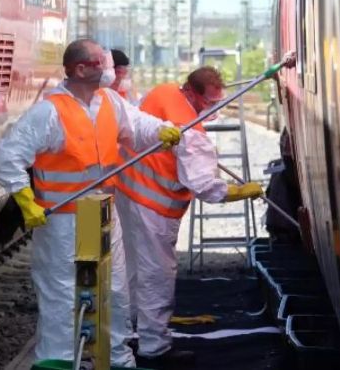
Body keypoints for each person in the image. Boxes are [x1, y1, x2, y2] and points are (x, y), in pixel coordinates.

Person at [0, 38, 183, 367]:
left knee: (115, 290)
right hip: (63, 222)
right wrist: (26, 201)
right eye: (101, 63)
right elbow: (10, 156)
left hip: (103, 215)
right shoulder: (50, 111)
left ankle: (117, 359)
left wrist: (163, 130)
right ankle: (59, 362)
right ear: (80, 69)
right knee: (63, 294)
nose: (110, 69)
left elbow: (138, 126)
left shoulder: (108, 101)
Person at [114, 66, 266, 364]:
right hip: (154, 208)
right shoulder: (189, 130)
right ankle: (154, 348)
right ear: (192, 92)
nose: (212, 110)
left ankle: (126, 332)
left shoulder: (163, 91)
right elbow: (205, 187)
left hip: (126, 194)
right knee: (156, 276)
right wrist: (239, 191)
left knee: (129, 270)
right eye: (208, 103)